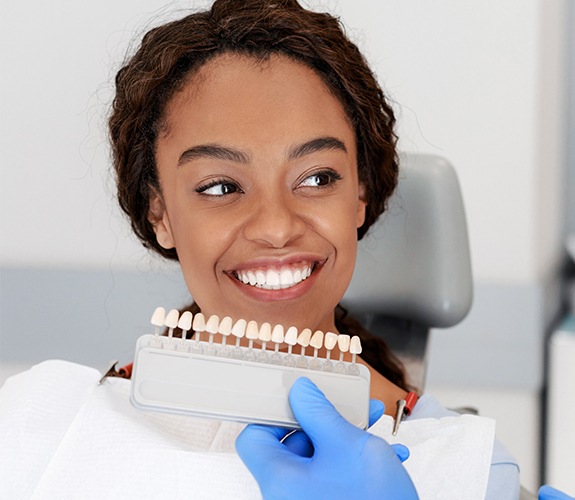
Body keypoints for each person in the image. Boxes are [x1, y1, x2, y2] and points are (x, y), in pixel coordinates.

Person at [107, 0, 520, 497]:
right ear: (161, 215)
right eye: (220, 186)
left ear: (360, 196)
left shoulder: (468, 472)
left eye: (317, 177)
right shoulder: (62, 423)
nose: (277, 227)